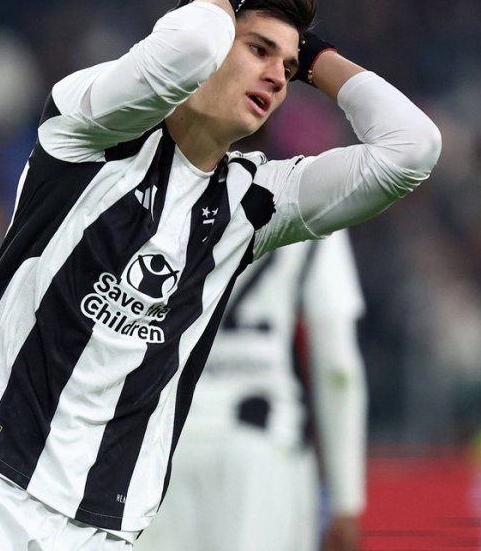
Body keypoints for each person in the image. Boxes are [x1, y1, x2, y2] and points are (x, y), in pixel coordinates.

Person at [0, 0, 440, 550]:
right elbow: (187, 49)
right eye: (258, 50)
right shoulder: (88, 130)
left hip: (105, 525)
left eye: (287, 71)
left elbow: (412, 149)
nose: (275, 76)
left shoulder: (254, 202)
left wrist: (316, 58)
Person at [136, 233, 368, 551]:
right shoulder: (316, 206)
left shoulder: (155, 201)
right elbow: (337, 365)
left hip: (159, 442)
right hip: (263, 447)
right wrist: (346, 500)